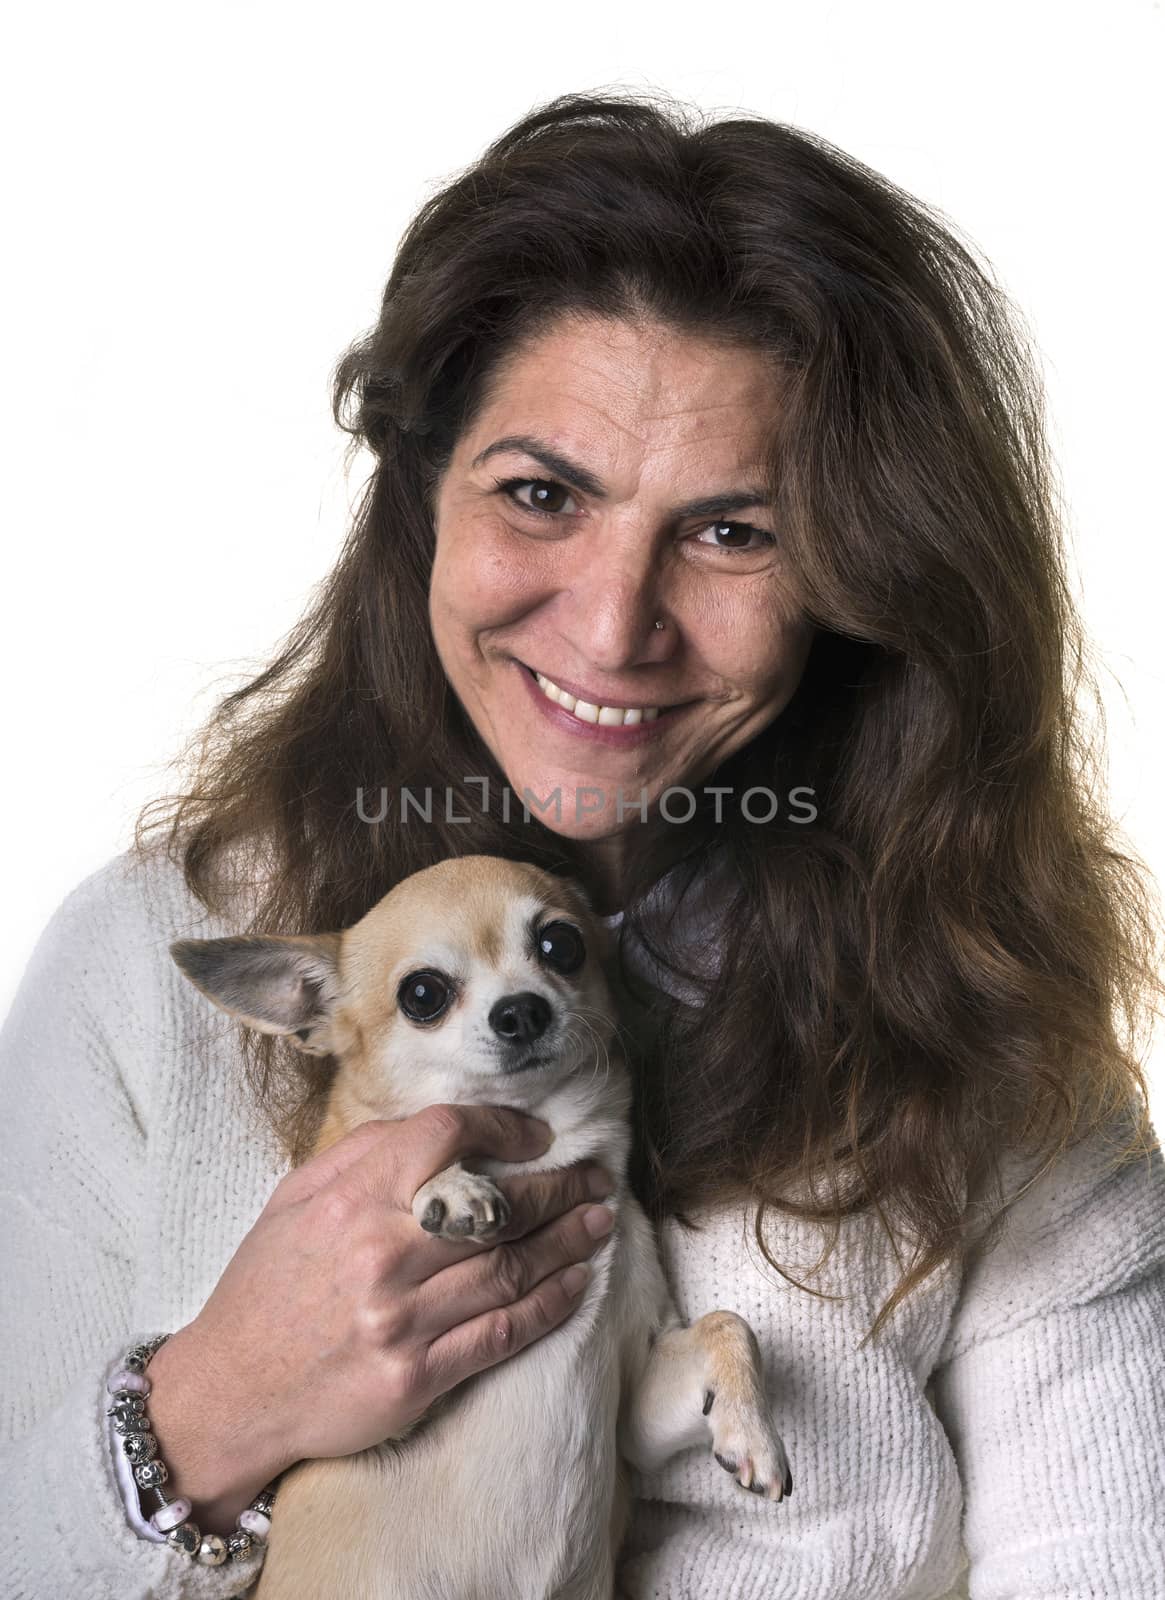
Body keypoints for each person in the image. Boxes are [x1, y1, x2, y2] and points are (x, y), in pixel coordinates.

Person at [2, 87, 1162, 1600]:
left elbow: (1109, 1550)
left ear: (859, 576)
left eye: (733, 531)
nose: (614, 626)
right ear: (419, 506)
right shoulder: (154, 973)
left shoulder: (975, 1002)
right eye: (541, 495)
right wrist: (212, 1404)